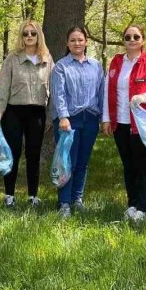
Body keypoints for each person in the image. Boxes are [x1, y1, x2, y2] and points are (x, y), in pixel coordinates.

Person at [102, 24, 146, 224]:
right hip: (120, 122)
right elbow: (107, 91)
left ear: (142, 40)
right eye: (128, 37)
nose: (131, 40)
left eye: (136, 37)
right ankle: (131, 205)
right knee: (128, 166)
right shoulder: (116, 62)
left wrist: (143, 97)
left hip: (142, 123)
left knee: (142, 166)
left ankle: (142, 208)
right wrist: (106, 118)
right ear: (123, 40)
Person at [0, 20, 53, 209]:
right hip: (14, 112)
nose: (29, 37)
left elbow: (54, 91)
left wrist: (50, 117)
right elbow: (2, 89)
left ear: (38, 35)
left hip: (37, 113)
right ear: (21, 36)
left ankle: (33, 195)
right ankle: (9, 195)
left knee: (33, 154)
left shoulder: (47, 59)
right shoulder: (12, 59)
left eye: (33, 33)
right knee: (13, 153)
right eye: (26, 33)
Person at [50, 26, 104, 218]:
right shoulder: (61, 66)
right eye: (73, 40)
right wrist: (63, 117)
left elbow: (101, 93)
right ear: (67, 43)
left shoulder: (96, 65)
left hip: (90, 118)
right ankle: (64, 202)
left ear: (86, 41)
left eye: (80, 40)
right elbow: (58, 94)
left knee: (82, 161)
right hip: (68, 121)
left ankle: (77, 199)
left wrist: (103, 118)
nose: (77, 43)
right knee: (67, 162)